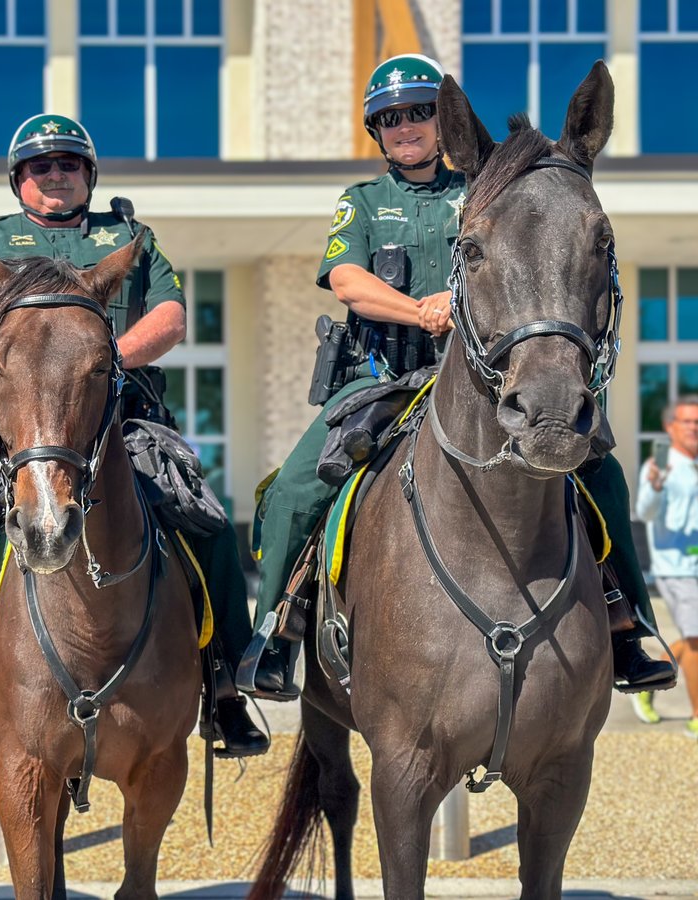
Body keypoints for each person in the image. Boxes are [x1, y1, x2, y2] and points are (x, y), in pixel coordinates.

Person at [244, 53, 675, 698]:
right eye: (390, 119)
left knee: (600, 468)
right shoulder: (362, 202)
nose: (406, 126)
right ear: (376, 132)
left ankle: (624, 620)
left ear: (442, 124)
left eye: (420, 112)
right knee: (294, 489)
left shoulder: (484, 188)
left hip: (478, 376)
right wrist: (419, 309)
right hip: (383, 379)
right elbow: (346, 281)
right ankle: (274, 632)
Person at [0, 113, 268, 771]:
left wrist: (106, 359)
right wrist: (38, 368)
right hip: (21, 432)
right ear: (20, 180)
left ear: (88, 176)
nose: (55, 175)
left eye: (68, 164)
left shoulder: (129, 237)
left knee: (210, 528)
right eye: (40, 166)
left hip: (126, 420)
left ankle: (224, 689)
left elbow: (170, 317)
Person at [632, 396, 698, 738]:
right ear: (671, 428)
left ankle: (651, 680)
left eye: (697, 422)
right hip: (677, 568)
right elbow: (644, 512)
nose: (694, 427)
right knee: (696, 639)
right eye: (687, 421)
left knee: (692, 638)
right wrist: (656, 486)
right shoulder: (660, 466)